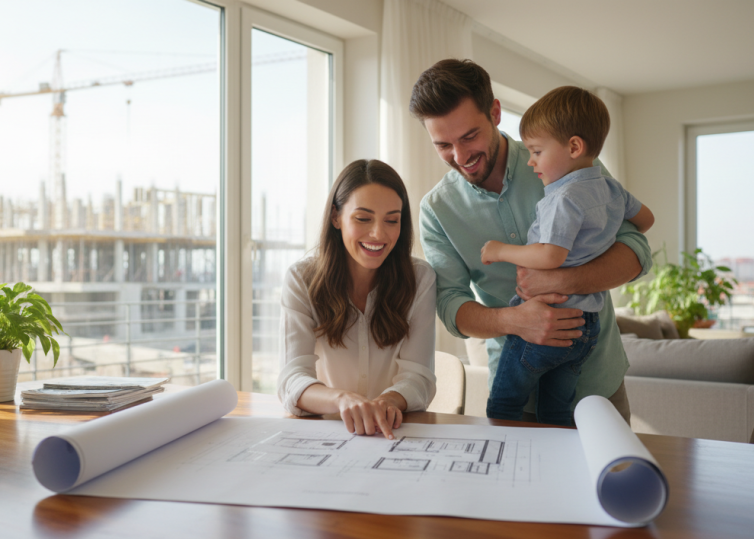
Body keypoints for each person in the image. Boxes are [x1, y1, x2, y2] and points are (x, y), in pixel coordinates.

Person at [411, 59, 652, 424]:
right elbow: (449, 305)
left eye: (469, 136)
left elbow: (636, 250)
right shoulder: (437, 209)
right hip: (516, 395)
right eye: (443, 145)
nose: (460, 157)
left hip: (596, 388)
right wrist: (515, 320)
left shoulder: (565, 158)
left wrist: (561, 280)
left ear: (495, 112)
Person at [479, 86, 655, 425]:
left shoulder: (564, 197)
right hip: (585, 327)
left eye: (536, 151)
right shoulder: (610, 187)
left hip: (549, 318)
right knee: (559, 411)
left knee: (503, 406)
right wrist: (598, 243)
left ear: (574, 147)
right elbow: (645, 220)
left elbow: (550, 257)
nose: (530, 161)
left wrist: (499, 250)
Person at [277, 159, 437, 439]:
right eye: (363, 218)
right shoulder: (302, 279)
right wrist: (342, 400)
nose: (378, 234)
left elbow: (419, 377)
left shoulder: (420, 279)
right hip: (329, 433)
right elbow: (292, 380)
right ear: (336, 217)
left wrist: (387, 402)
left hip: (393, 433)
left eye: (392, 220)